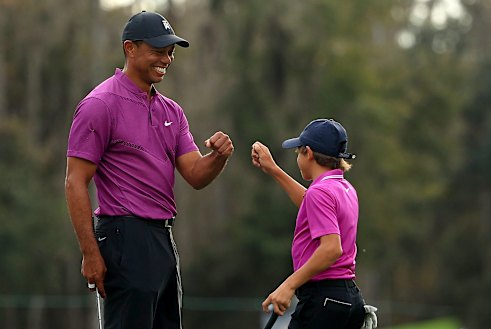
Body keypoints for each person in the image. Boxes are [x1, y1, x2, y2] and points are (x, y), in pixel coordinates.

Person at [65, 11, 234, 329]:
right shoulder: (100, 104)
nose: (167, 59)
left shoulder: (173, 111)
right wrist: (90, 254)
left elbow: (195, 174)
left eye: (170, 51)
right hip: (124, 238)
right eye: (158, 50)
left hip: (163, 240)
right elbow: (75, 182)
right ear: (130, 48)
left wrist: (218, 156)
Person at [252, 118, 376, 329]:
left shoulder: (320, 192)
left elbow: (331, 249)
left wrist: (288, 286)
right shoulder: (344, 188)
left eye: (298, 152)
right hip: (349, 299)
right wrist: (274, 169)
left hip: (323, 300)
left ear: (308, 153)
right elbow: (310, 203)